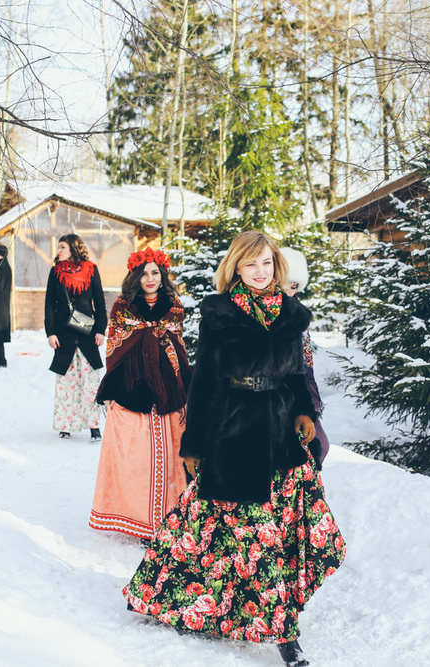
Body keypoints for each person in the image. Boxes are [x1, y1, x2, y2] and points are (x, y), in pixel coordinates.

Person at [122, 231, 345, 667]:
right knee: (232, 534)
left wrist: (303, 412)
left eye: (266, 263)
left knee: (274, 534)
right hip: (233, 429)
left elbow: (297, 373)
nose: (260, 272)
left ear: (275, 265)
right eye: (250, 265)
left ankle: (260, 618)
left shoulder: (292, 313)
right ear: (236, 269)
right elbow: (202, 382)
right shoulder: (220, 314)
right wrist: (194, 443)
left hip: (280, 434)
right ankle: (281, 637)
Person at [90, 247, 192, 539]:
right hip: (132, 388)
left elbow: (179, 348)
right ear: (135, 276)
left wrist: (184, 386)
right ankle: (138, 519)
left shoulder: (174, 306)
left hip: (168, 388)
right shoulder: (123, 307)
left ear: (163, 275)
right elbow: (114, 349)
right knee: (135, 458)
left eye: (155, 273)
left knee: (171, 456)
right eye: (144, 273)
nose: (150, 278)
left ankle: (169, 518)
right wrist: (111, 387)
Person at [44, 233, 107, 440]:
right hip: (64, 335)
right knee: (66, 382)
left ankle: (93, 425)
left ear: (74, 248)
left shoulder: (91, 270)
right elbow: (49, 305)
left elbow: (99, 301)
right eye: (58, 247)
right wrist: (50, 332)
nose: (59, 250)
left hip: (87, 334)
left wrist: (100, 329)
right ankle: (66, 425)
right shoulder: (55, 272)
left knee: (91, 381)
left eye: (62, 247)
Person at [279, 248, 329, 464]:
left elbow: (305, 356)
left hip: (301, 385)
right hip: (280, 392)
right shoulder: (270, 312)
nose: (291, 288)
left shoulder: (298, 311)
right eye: (287, 282)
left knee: (319, 445)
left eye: (295, 284)